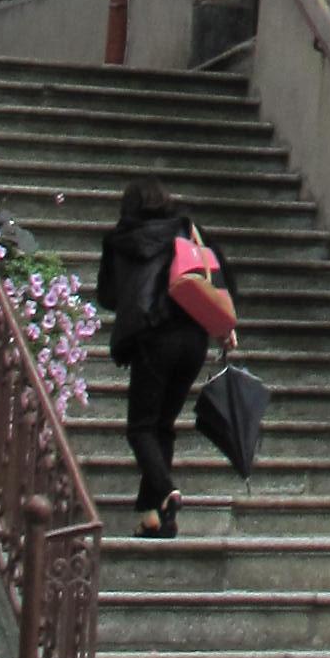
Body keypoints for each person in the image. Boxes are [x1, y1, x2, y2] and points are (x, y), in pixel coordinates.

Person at [96, 177, 234, 539]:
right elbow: (219, 278)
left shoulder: (121, 240)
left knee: (141, 427)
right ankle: (156, 517)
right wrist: (224, 324)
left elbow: (107, 296)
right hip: (194, 338)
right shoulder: (187, 231)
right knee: (162, 426)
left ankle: (166, 491)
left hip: (154, 337)